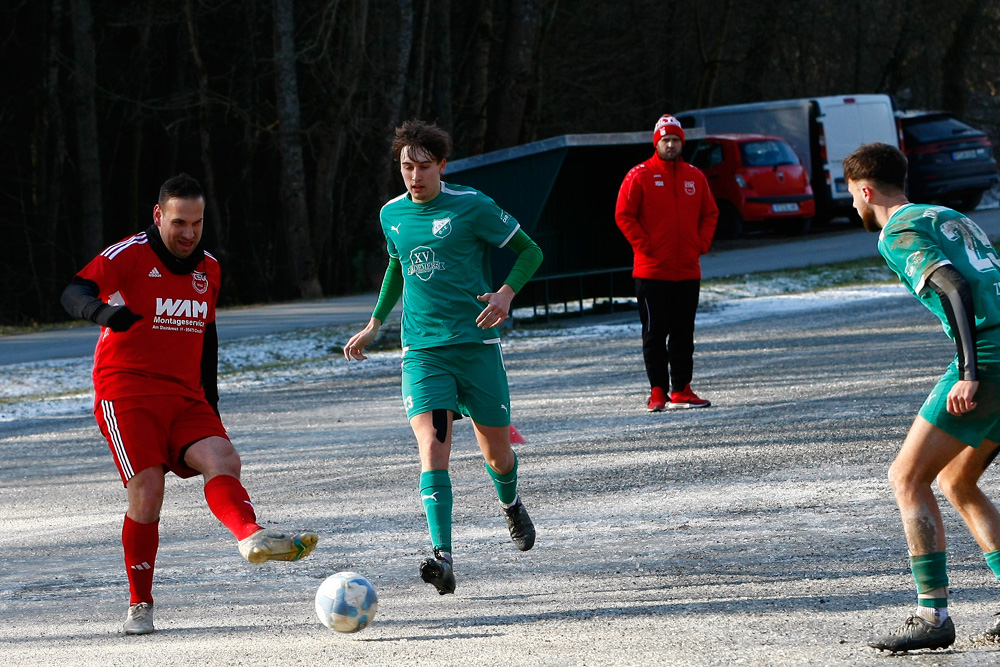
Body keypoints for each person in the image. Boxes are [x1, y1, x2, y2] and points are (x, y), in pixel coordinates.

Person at [60, 173, 317, 635]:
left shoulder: (210, 269)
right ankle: (140, 605)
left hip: (184, 394)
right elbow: (73, 292)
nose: (188, 233)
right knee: (149, 490)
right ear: (159, 216)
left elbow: (208, 340)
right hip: (127, 391)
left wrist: (212, 410)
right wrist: (105, 313)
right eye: (179, 222)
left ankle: (250, 536)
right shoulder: (130, 254)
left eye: (197, 223)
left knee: (224, 458)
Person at [344, 120, 543, 595]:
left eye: (424, 167)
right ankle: (443, 556)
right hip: (423, 353)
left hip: (476, 349)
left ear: (442, 167)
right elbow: (397, 263)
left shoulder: (472, 206)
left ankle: (511, 502)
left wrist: (505, 294)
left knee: (496, 454)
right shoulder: (392, 213)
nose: (414, 176)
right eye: (406, 167)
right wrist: (376, 322)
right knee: (433, 449)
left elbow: (529, 251)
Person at [844, 143, 1000, 653]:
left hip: (992, 357)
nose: (853, 207)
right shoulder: (946, 214)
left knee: (907, 477)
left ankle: (931, 614)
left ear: (866, 191)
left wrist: (970, 373)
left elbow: (953, 285)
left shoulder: (898, 231)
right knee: (958, 480)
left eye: (851, 197)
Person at [615, 114, 718, 411]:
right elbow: (624, 214)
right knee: (655, 332)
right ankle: (657, 391)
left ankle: (682, 388)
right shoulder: (640, 175)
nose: (671, 145)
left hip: (686, 270)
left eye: (675, 140)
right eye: (665, 140)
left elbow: (710, 214)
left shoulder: (695, 177)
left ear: (682, 143)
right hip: (652, 271)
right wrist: (645, 246)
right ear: (656, 143)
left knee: (684, 332)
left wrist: (700, 244)